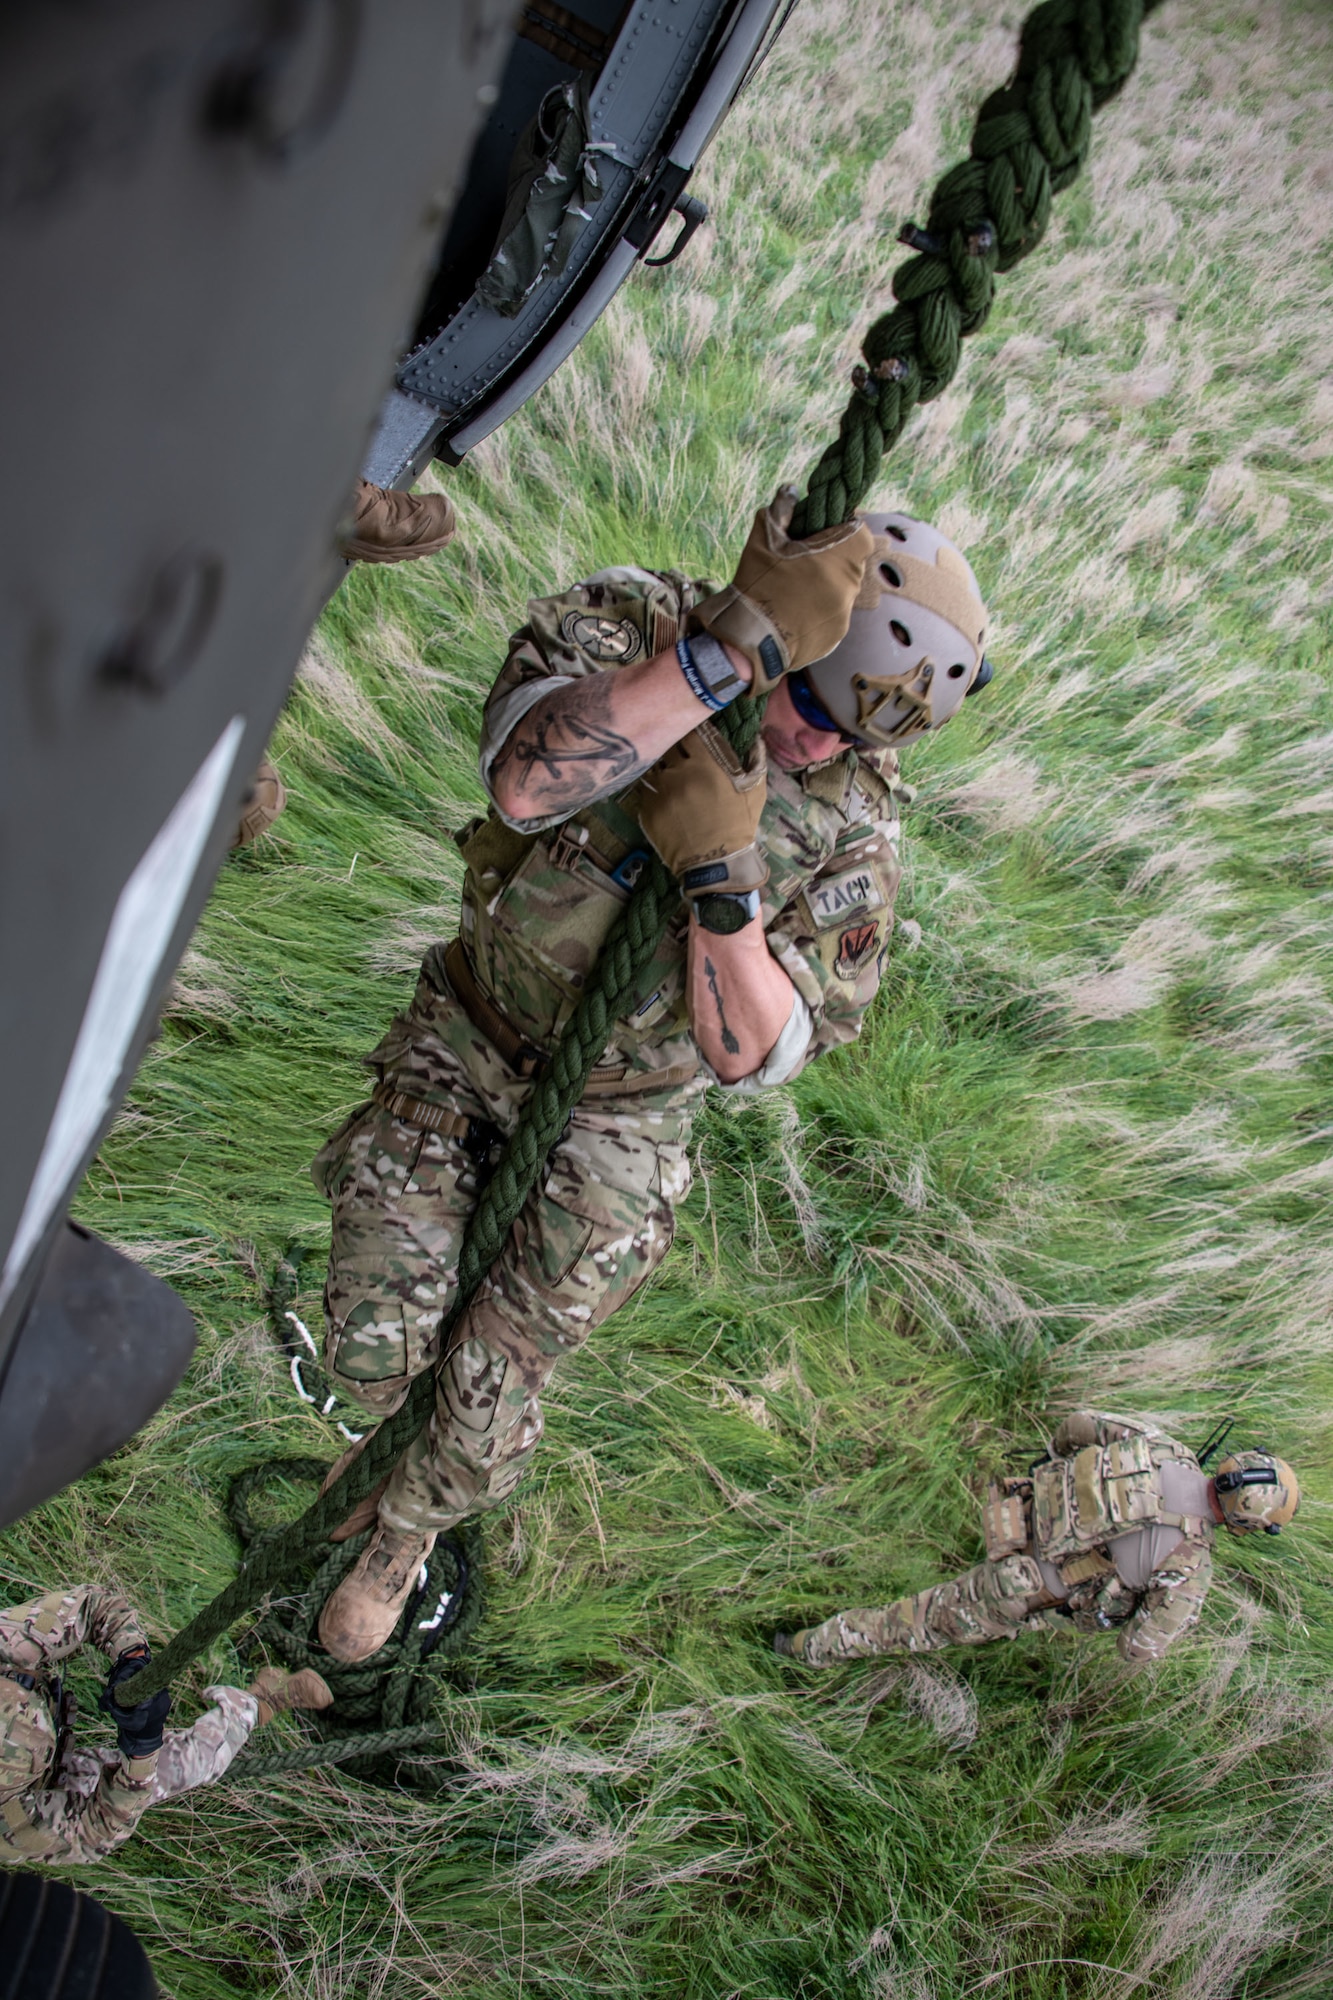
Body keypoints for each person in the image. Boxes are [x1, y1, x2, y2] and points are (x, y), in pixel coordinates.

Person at [310, 490, 994, 1663]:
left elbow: (755, 1057)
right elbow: (521, 779)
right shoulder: (635, 624)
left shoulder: (851, 827)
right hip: (471, 1034)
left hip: (622, 1118)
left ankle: (404, 1536)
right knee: (374, 1347)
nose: (820, 743)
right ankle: (377, 1448)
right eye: (813, 700)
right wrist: (720, 665)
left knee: (492, 1380)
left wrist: (722, 888)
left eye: (857, 736)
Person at [773, 1415, 1301, 1667]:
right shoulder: (1190, 1567)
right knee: (910, 1622)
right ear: (1248, 1525)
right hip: (1020, 1587)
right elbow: (1137, 1648)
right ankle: (807, 1647)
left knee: (939, 1598)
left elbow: (1076, 1427)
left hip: (1013, 1514)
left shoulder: (1166, 1447)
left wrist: (1052, 1469)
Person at [0, 1584, 332, 1864]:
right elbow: (95, 1831)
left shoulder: (5, 1642)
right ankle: (257, 1705)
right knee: (191, 1764)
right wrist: (141, 1752)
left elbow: (93, 1606)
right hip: (43, 1788)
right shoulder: (8, 1826)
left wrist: (131, 1660)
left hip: (35, 1716)